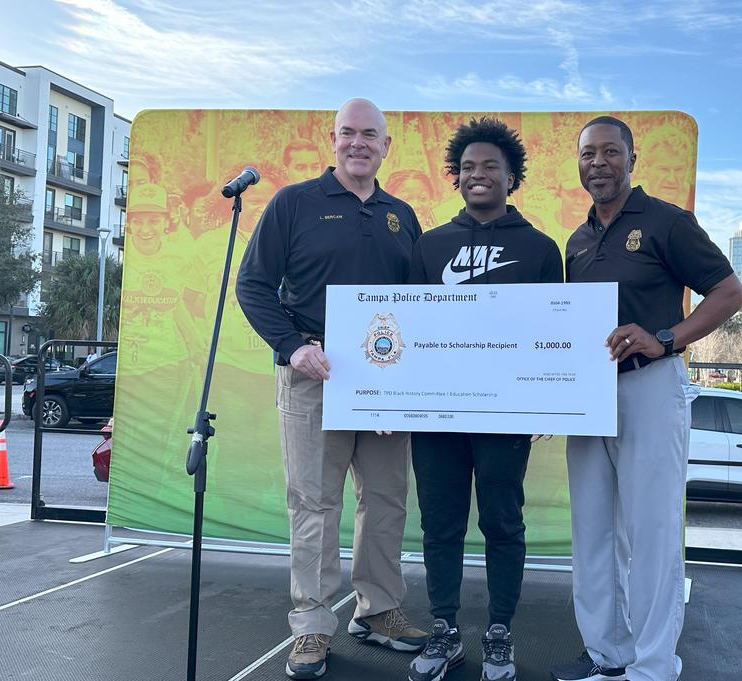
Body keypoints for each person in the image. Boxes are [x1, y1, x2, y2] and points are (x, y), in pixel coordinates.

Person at [236, 98, 428, 681]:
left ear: (387, 146)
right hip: (313, 373)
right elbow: (253, 285)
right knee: (315, 504)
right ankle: (312, 625)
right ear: (333, 139)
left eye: (370, 134)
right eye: (348, 133)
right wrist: (293, 346)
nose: (358, 143)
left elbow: (418, 305)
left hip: (384, 381)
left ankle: (379, 609)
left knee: (386, 499)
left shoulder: (402, 215)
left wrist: (406, 387)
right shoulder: (294, 203)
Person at [548, 116, 742, 681]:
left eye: (610, 152)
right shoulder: (577, 241)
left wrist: (666, 339)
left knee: (652, 532)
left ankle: (653, 666)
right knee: (593, 531)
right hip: (589, 395)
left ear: (632, 159)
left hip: (650, 386)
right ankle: (607, 654)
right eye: (588, 154)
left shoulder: (667, 222)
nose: (598, 163)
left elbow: (729, 292)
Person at [405, 118, 562, 681]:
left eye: (491, 165)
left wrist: (547, 398)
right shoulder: (429, 246)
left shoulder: (540, 249)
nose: (478, 174)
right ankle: (444, 630)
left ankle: (500, 631)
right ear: (456, 176)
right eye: (468, 166)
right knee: (440, 525)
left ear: (511, 176)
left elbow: (554, 333)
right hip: (437, 415)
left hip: (505, 417)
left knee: (503, 522)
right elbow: (409, 329)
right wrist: (390, 399)